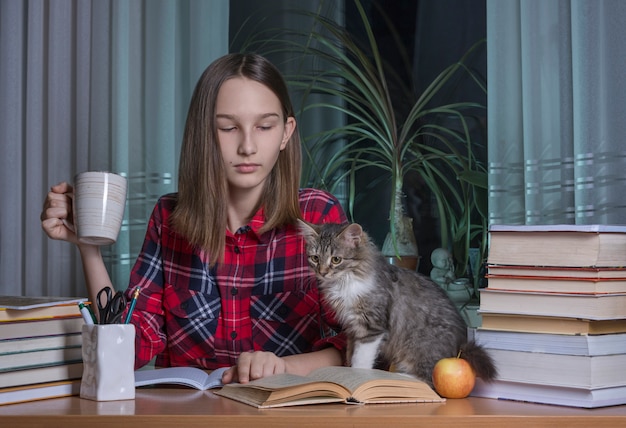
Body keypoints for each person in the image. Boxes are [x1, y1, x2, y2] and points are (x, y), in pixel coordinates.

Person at [41, 53, 347, 384]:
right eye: (228, 128)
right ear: (204, 133)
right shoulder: (167, 218)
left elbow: (358, 340)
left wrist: (285, 367)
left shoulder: (318, 216)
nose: (247, 146)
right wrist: (89, 246)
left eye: (264, 126)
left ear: (286, 133)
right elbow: (126, 351)